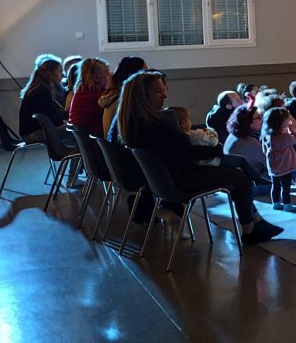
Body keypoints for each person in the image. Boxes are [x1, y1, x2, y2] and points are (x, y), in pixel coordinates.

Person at [116, 71, 282, 244]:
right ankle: (250, 229)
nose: (165, 95)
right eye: (158, 91)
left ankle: (256, 222)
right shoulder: (156, 126)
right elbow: (186, 153)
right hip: (181, 179)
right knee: (241, 178)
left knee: (235, 171)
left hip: (164, 180)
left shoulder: (135, 122)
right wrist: (216, 149)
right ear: (143, 95)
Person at [18, 54, 70, 144]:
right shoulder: (41, 92)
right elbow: (52, 118)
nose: (62, 75)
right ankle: (75, 155)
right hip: (34, 134)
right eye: (60, 71)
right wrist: (64, 120)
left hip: (32, 131)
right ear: (50, 74)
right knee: (78, 129)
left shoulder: (39, 88)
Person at [262, 108, 296, 213]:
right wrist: (291, 129)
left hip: (273, 166)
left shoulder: (266, 135)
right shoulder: (284, 136)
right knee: (286, 187)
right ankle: (287, 205)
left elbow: (264, 149)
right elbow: (294, 140)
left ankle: (275, 203)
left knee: (275, 186)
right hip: (285, 166)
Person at [68, 58, 111, 138]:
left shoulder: (81, 90)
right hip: (93, 139)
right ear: (96, 77)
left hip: (83, 139)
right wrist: (110, 88)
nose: (109, 76)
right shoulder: (95, 95)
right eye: (107, 73)